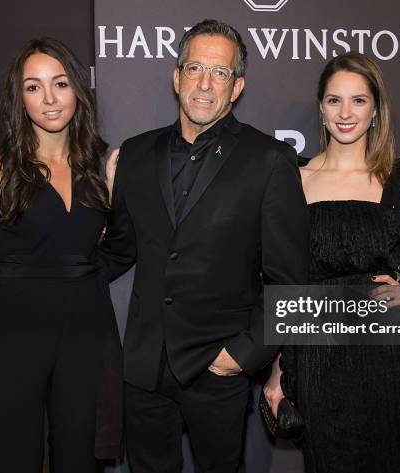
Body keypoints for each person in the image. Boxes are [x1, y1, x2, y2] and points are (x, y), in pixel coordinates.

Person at [100, 19, 309, 473]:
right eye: (194, 68)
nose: (204, 83)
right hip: (144, 366)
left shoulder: (269, 160)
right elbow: (119, 250)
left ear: (237, 87)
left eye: (220, 73)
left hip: (218, 367)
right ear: (176, 78)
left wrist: (244, 354)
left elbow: (289, 280)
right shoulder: (135, 154)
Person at [263, 52, 400, 473]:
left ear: (376, 109)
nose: (346, 113)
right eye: (334, 101)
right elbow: (287, 283)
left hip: (382, 354)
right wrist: (277, 370)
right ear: (320, 109)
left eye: (358, 101)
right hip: (315, 353)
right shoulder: (295, 179)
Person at [0, 38, 122, 473]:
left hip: (86, 336)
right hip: (11, 336)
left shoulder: (103, 167)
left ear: (77, 91)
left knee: (80, 463)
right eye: (33, 87)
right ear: (18, 97)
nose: (49, 98)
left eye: (60, 83)